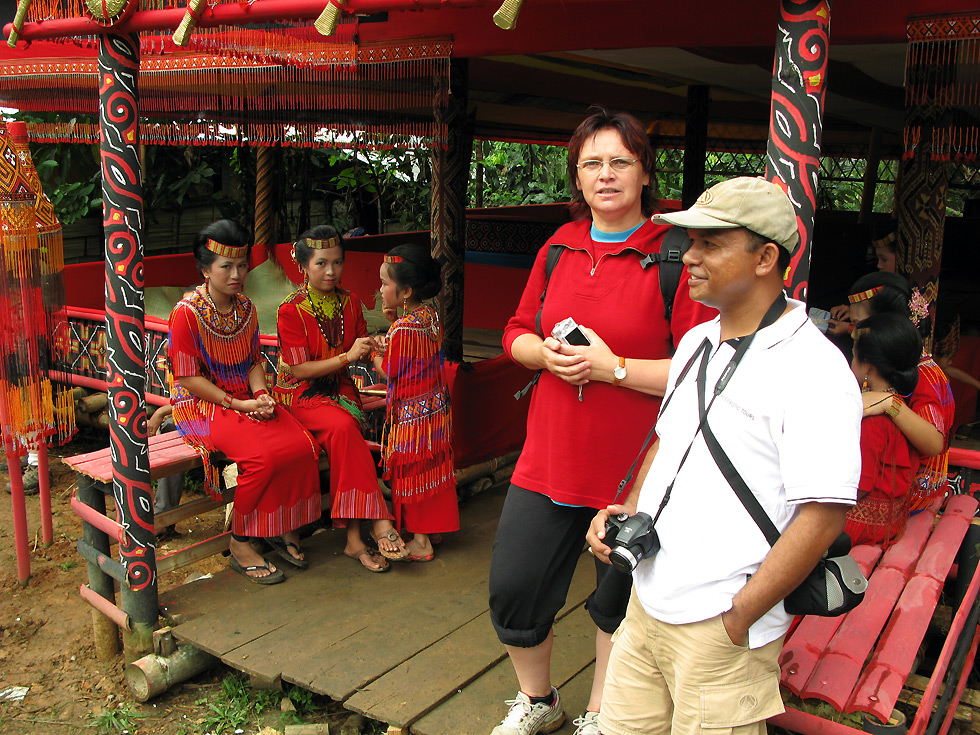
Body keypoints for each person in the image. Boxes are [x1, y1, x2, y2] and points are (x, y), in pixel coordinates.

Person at [586, 176, 862, 735]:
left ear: (765, 257)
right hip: (647, 604)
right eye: (691, 241)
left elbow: (824, 513)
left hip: (721, 626)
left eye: (711, 243)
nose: (689, 256)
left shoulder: (813, 367)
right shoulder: (696, 342)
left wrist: (738, 617)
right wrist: (625, 512)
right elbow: (670, 440)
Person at [487, 107, 714, 735]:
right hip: (549, 457)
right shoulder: (558, 248)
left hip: (635, 467)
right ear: (577, 179)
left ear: (645, 172)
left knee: (615, 602)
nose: (606, 175)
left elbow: (702, 369)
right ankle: (539, 700)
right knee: (516, 587)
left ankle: (601, 715)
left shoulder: (675, 254)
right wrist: (546, 355)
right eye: (592, 164)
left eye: (620, 161)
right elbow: (515, 332)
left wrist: (614, 368)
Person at [169, 220, 322, 584]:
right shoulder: (186, 314)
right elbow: (188, 378)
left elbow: (254, 361)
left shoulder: (247, 308)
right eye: (227, 267)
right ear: (205, 269)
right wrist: (238, 406)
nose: (237, 274)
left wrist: (261, 394)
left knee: (302, 445)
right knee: (262, 459)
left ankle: (279, 526)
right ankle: (239, 542)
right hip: (200, 406)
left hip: (242, 399)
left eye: (242, 265)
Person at [275, 225, 409, 573]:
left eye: (337, 263)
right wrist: (349, 357)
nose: (331, 271)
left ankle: (353, 540)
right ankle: (379, 519)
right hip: (300, 394)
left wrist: (372, 347)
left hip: (341, 392)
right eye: (321, 264)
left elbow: (359, 346)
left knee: (344, 430)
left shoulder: (350, 302)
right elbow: (300, 370)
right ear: (302, 267)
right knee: (344, 430)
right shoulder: (291, 310)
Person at [372, 244, 459, 562]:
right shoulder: (429, 315)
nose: (380, 289)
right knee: (431, 467)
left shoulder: (403, 328)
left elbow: (392, 372)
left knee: (411, 473)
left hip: (412, 417)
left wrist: (373, 352)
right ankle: (433, 528)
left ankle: (421, 541)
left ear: (405, 290)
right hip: (435, 410)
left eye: (384, 283)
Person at [841, 273, 955, 513]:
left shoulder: (923, 376)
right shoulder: (907, 363)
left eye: (859, 325)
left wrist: (891, 403)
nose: (853, 333)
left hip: (906, 499)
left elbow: (934, 443)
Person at [847, 313, 921, 547]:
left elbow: (857, 488)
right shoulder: (900, 406)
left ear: (867, 364)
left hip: (862, 528)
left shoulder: (871, 417)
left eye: (853, 355)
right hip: (892, 521)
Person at [829, 229, 897, 325]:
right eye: (878, 259)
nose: (879, 265)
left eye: (884, 259)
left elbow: (885, 332)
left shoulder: (904, 294)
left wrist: (849, 328)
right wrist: (854, 311)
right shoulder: (882, 285)